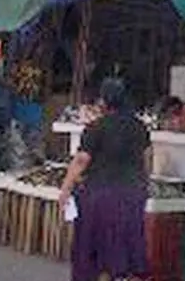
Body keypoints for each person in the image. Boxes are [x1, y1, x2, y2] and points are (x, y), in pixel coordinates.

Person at [57, 78, 151, 281]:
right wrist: (144, 185)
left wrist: (65, 189)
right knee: (128, 245)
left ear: (103, 101)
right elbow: (146, 161)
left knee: (95, 248)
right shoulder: (139, 127)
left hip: (100, 197)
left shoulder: (96, 128)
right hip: (132, 195)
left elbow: (82, 160)